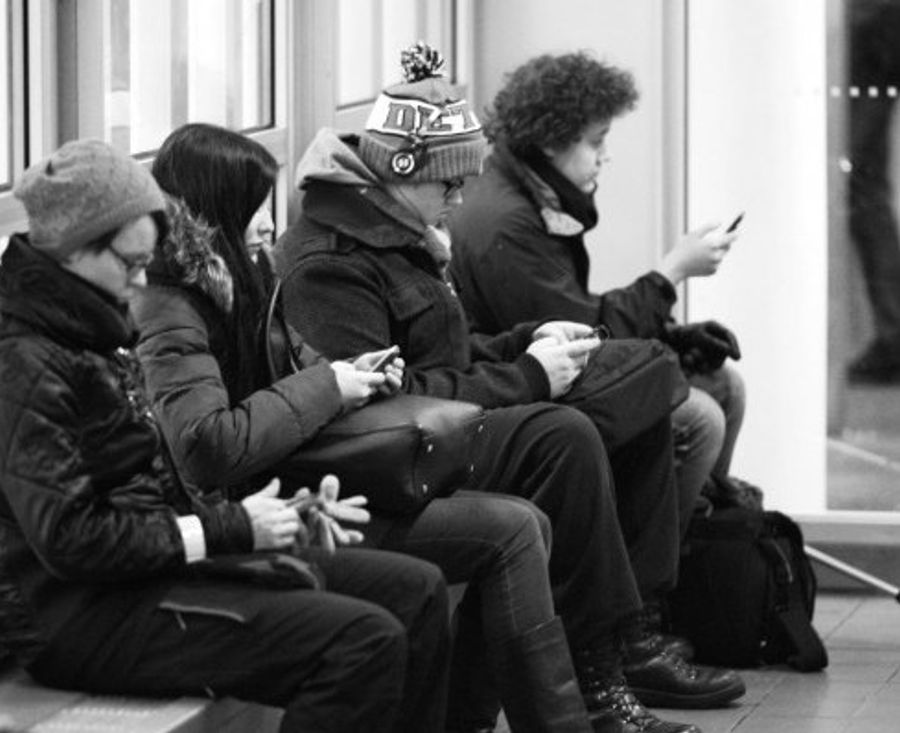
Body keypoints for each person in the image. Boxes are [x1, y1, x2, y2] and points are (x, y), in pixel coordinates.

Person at [275, 43, 745, 732]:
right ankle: (600, 674)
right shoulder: (332, 262)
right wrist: (527, 374)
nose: (459, 199)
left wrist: (527, 340)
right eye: (448, 184)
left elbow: (447, 347)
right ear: (404, 171)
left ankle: (603, 665)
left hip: (439, 427)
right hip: (385, 457)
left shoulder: (400, 229)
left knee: (633, 398)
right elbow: (377, 400)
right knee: (568, 438)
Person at [0, 138, 451, 733]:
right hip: (78, 617)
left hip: (146, 575)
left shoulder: (85, 328)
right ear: (73, 250)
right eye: (130, 263)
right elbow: (72, 541)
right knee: (361, 643)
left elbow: (147, 488)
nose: (141, 281)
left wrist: (277, 516)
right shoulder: (16, 365)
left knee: (417, 590)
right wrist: (230, 528)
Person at [133, 121, 603, 733]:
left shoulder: (248, 279)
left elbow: (296, 371)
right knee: (512, 526)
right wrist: (329, 386)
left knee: (528, 518)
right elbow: (206, 447)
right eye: (255, 207)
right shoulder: (174, 309)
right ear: (218, 210)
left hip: (296, 488)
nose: (270, 224)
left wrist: (357, 374)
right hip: (252, 516)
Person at [446, 51, 747, 533]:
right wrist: (671, 272)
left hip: (527, 367)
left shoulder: (520, 188)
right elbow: (581, 333)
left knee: (723, 384)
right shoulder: (506, 222)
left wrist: (674, 336)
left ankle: (695, 541)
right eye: (596, 141)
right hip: (513, 389)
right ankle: (651, 564)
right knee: (700, 418)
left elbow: (570, 311)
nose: (605, 156)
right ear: (551, 141)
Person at [845, 0, 900, 383]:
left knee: (861, 184)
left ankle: (893, 331)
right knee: (865, 186)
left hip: (874, 19)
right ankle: (892, 329)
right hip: (879, 20)